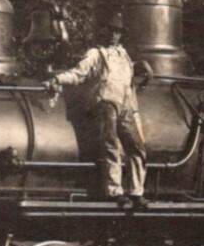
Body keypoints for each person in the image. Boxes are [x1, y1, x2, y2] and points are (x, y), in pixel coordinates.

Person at [46, 12, 150, 206]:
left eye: (117, 32)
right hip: (105, 103)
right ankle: (114, 191)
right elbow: (79, 73)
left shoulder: (124, 55)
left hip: (126, 105)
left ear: (121, 34)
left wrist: (140, 66)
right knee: (110, 146)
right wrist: (58, 78)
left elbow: (124, 75)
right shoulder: (95, 54)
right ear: (104, 32)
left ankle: (136, 191)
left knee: (137, 148)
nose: (113, 35)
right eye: (110, 31)